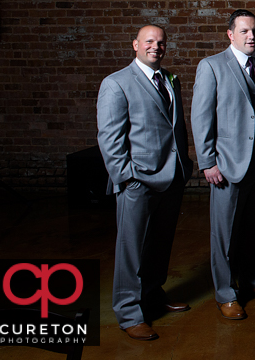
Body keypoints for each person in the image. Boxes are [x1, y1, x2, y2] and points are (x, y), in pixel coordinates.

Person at [97, 24, 191, 340]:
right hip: (137, 180)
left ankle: (152, 295)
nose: (156, 46)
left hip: (171, 177)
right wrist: (126, 178)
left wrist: (184, 166)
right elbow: (110, 138)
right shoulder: (116, 84)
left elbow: (175, 127)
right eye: (149, 41)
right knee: (131, 250)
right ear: (135, 44)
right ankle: (128, 313)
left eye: (161, 42)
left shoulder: (170, 80)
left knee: (159, 244)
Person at [191, 10, 255, 321]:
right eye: (244, 31)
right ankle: (226, 292)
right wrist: (207, 162)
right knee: (225, 233)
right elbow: (201, 117)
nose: (251, 36)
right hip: (228, 164)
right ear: (230, 34)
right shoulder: (212, 66)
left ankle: (253, 279)